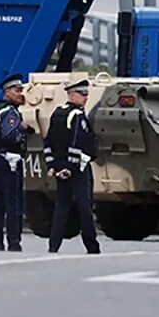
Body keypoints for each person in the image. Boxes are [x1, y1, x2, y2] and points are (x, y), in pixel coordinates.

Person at [45, 78, 100, 254]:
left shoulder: (57, 113)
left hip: (61, 168)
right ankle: (92, 247)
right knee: (85, 207)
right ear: (72, 95)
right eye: (82, 94)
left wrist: (52, 165)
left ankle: (54, 245)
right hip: (78, 169)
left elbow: (48, 141)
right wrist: (70, 166)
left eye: (87, 95)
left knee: (61, 207)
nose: (85, 98)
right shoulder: (76, 115)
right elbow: (77, 141)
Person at [0, 73, 31, 251]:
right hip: (11, 159)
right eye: (17, 90)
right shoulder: (9, 111)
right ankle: (14, 242)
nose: (21, 94)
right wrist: (22, 130)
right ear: (8, 92)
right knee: (13, 202)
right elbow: (11, 135)